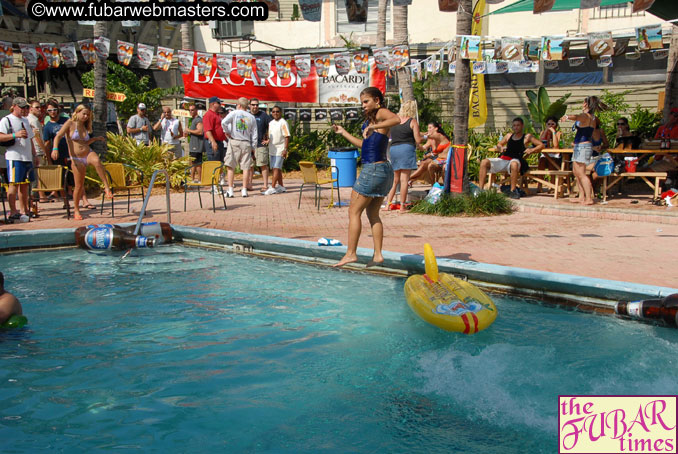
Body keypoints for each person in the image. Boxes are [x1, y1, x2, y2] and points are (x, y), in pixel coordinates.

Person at [331, 86, 399, 268]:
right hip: (383, 170)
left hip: (373, 170)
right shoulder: (373, 121)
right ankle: (377, 255)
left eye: (366, 101)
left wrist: (374, 126)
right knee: (373, 214)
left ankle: (351, 253)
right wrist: (343, 132)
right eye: (362, 102)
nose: (363, 105)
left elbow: (397, 119)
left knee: (353, 211)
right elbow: (364, 145)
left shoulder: (381, 114)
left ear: (377, 100)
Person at [53, 104, 112, 220]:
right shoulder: (70, 123)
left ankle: (106, 187)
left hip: (87, 153)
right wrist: (55, 149)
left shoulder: (85, 126)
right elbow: (58, 136)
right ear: (77, 112)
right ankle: (76, 209)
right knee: (79, 186)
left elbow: (83, 143)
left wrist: (95, 139)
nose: (85, 116)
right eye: (83, 114)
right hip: (76, 158)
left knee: (97, 161)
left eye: (87, 115)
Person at [478, 117, 544, 199]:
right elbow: (499, 144)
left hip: (516, 160)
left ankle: (513, 190)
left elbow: (541, 145)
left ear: (522, 126)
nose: (516, 127)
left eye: (518, 125)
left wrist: (532, 149)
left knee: (514, 164)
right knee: (484, 162)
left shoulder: (527, 137)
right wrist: (500, 147)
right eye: (514, 125)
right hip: (504, 159)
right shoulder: (509, 136)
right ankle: (480, 190)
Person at [0, 98, 37, 220]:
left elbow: (30, 139)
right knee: (14, 183)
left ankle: (24, 209)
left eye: (26, 108)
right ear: (14, 106)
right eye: (22, 107)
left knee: (25, 184)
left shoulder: (26, 121)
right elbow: (1, 136)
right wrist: (15, 135)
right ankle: (13, 210)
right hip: (14, 156)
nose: (24, 110)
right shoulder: (7, 120)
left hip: (26, 157)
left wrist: (34, 155)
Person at [561, 96, 601, 205]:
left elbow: (576, 117)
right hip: (580, 146)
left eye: (584, 102)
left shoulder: (586, 116)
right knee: (576, 172)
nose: (582, 104)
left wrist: (567, 116)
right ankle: (581, 196)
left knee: (582, 173)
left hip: (582, 147)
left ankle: (588, 198)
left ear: (586, 104)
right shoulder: (592, 118)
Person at [385, 100, 423, 211]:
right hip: (407, 149)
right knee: (404, 180)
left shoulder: (395, 120)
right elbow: (418, 139)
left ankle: (388, 204)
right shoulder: (412, 121)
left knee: (395, 179)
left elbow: (388, 135)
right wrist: (424, 137)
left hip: (394, 149)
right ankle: (402, 205)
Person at [221, 97, 257, 198]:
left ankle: (230, 190)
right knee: (246, 167)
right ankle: (244, 189)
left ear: (239, 105)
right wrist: (253, 146)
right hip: (246, 142)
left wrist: (226, 132)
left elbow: (223, 122)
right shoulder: (251, 117)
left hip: (235, 141)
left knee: (231, 165)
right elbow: (255, 133)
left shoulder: (234, 113)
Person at [43, 99, 75, 206]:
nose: (52, 112)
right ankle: (65, 201)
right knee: (61, 178)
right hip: (58, 154)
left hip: (70, 152)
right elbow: (47, 144)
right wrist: (49, 158)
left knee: (73, 175)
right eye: (50, 110)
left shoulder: (66, 120)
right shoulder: (47, 126)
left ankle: (77, 196)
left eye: (54, 110)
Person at [408, 121, 449, 186]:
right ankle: (433, 185)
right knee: (430, 166)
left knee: (441, 167)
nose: (428, 129)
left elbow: (426, 137)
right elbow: (423, 148)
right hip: (438, 159)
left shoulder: (439, 135)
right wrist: (418, 144)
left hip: (446, 159)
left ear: (436, 129)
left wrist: (416, 135)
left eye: (430, 128)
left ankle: (445, 187)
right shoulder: (431, 138)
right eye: (428, 128)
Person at [265, 105, 290, 195]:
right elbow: (271, 136)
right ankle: (281, 186)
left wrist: (285, 149)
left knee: (276, 168)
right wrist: (267, 141)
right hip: (272, 149)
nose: (275, 113)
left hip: (280, 148)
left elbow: (287, 136)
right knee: (276, 169)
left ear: (281, 113)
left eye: (277, 111)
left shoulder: (283, 123)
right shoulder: (271, 123)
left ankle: (272, 187)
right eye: (273, 111)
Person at [249, 99, 272, 193]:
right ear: (249, 105)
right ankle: (249, 184)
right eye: (253, 105)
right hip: (248, 144)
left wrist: (269, 139)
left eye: (257, 105)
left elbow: (272, 126)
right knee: (249, 165)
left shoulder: (263, 115)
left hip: (260, 144)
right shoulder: (247, 115)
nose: (255, 107)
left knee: (263, 165)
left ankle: (265, 185)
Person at [536, 116, 562, 193]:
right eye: (548, 124)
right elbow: (540, 143)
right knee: (541, 162)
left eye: (552, 124)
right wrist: (545, 132)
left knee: (552, 164)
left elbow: (556, 146)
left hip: (555, 155)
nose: (550, 126)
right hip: (545, 154)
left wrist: (553, 132)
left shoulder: (558, 133)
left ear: (556, 125)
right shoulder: (543, 133)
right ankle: (539, 185)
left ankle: (552, 186)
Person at [203, 96, 227, 166]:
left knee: (220, 163)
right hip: (213, 142)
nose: (220, 105)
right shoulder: (209, 115)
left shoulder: (217, 115)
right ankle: (214, 177)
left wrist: (227, 140)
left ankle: (219, 176)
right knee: (214, 163)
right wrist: (213, 142)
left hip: (219, 142)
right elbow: (207, 130)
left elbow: (219, 129)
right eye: (219, 103)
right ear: (213, 104)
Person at [184, 104, 204, 182]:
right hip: (193, 144)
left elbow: (200, 131)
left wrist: (189, 130)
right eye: (190, 110)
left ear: (196, 110)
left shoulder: (198, 120)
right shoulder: (192, 120)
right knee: (194, 162)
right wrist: (188, 133)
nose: (191, 112)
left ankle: (197, 179)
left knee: (196, 163)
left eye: (192, 110)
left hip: (197, 145)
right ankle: (193, 179)